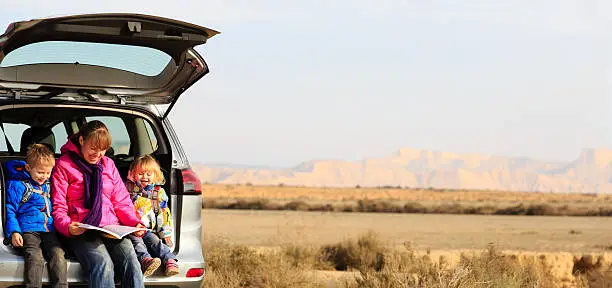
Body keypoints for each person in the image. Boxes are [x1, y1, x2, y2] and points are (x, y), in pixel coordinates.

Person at [51, 120, 146, 288]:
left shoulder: (108, 164)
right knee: (103, 264)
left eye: (102, 149)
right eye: (93, 148)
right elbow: (58, 206)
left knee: (132, 262)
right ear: (81, 141)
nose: (98, 154)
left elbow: (121, 201)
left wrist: (134, 223)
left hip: (111, 228)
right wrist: (68, 226)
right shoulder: (64, 165)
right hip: (81, 230)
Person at [5, 144, 67, 288]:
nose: (44, 176)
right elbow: (10, 210)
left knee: (58, 255)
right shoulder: (18, 185)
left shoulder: (49, 185)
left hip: (49, 229)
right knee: (35, 258)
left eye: (47, 173)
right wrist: (14, 231)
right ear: (28, 168)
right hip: (28, 230)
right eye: (40, 172)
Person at [126, 155, 179, 277]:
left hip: (150, 230)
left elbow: (163, 214)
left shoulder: (158, 193)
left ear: (155, 175)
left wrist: (165, 234)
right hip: (133, 229)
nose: (144, 177)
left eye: (149, 174)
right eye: (140, 173)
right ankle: (147, 261)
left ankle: (170, 261)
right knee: (137, 244)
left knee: (156, 242)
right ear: (132, 174)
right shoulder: (127, 189)